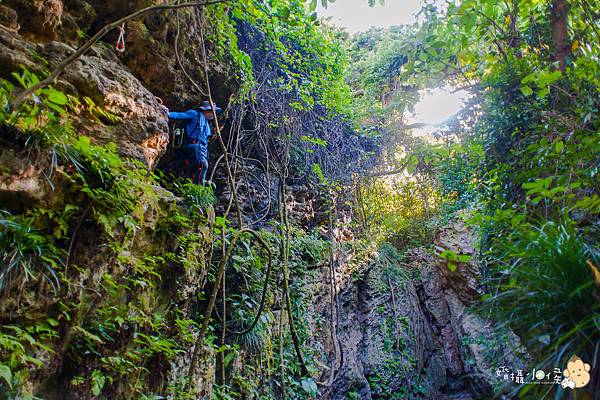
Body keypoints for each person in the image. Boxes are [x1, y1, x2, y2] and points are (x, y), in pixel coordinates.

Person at [163, 100, 222, 186]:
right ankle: (198, 188)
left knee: (197, 168)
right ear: (205, 110)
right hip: (195, 146)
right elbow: (179, 115)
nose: (213, 114)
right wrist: (167, 113)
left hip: (202, 149)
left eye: (214, 112)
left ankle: (194, 186)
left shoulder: (206, 123)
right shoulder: (194, 114)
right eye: (211, 111)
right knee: (202, 165)